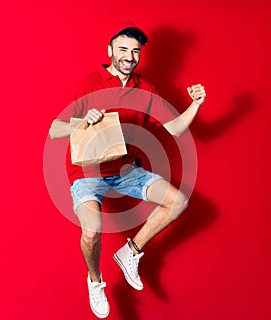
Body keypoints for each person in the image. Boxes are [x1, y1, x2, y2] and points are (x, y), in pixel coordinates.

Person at [49, 21, 206, 319]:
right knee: (91, 233)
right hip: (88, 173)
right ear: (109, 51)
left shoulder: (146, 88)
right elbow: (55, 129)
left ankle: (129, 252)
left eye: (135, 51)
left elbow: (173, 128)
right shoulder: (88, 82)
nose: (129, 56)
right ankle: (95, 281)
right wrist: (83, 121)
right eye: (123, 49)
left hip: (126, 171)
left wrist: (196, 104)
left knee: (179, 201)